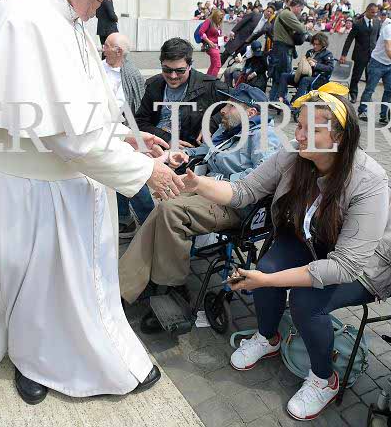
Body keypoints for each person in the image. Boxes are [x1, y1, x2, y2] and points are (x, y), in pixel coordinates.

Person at [0, 0, 186, 404]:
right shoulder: (24, 17)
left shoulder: (70, 18)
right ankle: (34, 361)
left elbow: (86, 109)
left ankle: (71, 351)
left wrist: (129, 137)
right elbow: (65, 135)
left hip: (75, 185)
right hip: (37, 190)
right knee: (38, 285)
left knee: (71, 285)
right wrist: (145, 171)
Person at [180, 82, 389, 421]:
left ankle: (324, 378)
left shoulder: (369, 181)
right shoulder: (294, 155)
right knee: (268, 265)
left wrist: (268, 281)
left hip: (363, 264)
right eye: (299, 124)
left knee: (306, 301)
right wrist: (196, 183)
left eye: (311, 129)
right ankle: (268, 337)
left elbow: (345, 266)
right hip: (312, 239)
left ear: (339, 137)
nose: (298, 135)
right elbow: (244, 191)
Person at [119, 84, 282, 318]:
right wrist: (186, 154)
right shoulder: (229, 130)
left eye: (230, 106)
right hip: (209, 190)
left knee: (171, 211)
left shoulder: (263, 137)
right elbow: (209, 150)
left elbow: (261, 180)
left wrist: (215, 180)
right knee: (165, 201)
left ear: (251, 113)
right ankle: (132, 282)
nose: (222, 110)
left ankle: (169, 285)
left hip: (235, 203)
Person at [102, 33, 155, 237]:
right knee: (114, 175)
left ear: (118, 51)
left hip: (125, 131)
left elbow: (138, 107)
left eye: (106, 45)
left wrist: (137, 136)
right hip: (103, 130)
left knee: (134, 176)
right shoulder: (98, 68)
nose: (102, 48)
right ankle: (124, 218)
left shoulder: (131, 74)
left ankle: (150, 221)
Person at [135, 37, 228, 147]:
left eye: (180, 71)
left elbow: (241, 103)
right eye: (167, 69)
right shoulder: (154, 85)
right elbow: (140, 122)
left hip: (192, 150)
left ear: (189, 66)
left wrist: (211, 124)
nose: (173, 76)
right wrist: (167, 138)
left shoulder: (211, 86)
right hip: (158, 146)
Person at [278, 32, 334, 106]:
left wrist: (316, 65)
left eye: (317, 44)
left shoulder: (327, 54)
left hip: (318, 79)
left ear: (323, 44)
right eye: (314, 44)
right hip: (304, 76)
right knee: (284, 75)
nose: (315, 46)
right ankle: (281, 99)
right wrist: (301, 64)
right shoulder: (310, 52)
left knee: (305, 80)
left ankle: (295, 103)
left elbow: (330, 68)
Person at [340, 3, 380, 103]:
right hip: (360, 55)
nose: (374, 14)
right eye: (372, 12)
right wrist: (344, 54)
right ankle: (353, 95)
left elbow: (377, 39)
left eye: (376, 12)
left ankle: (367, 96)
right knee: (356, 77)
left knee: (371, 77)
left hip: (373, 56)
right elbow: (349, 40)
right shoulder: (357, 24)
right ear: (367, 10)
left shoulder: (377, 22)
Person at [269, 0, 307, 101]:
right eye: (301, 9)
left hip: (281, 49)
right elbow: (301, 29)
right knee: (282, 77)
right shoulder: (287, 14)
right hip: (282, 50)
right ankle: (277, 101)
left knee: (279, 78)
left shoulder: (284, 13)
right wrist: (306, 26)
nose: (300, 12)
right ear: (297, 6)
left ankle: (274, 101)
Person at [357, 11, 391, 124]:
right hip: (377, 62)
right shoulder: (388, 29)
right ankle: (362, 111)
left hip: (389, 64)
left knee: (389, 90)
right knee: (370, 89)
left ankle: (384, 116)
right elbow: (388, 49)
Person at [199, 8, 224, 77]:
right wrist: (209, 41)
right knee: (217, 65)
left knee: (213, 64)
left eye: (221, 18)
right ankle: (212, 81)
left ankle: (207, 79)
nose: (220, 19)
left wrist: (224, 38)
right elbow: (201, 32)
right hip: (210, 46)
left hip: (216, 46)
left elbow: (217, 36)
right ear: (215, 16)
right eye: (219, 18)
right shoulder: (209, 21)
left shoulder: (217, 24)